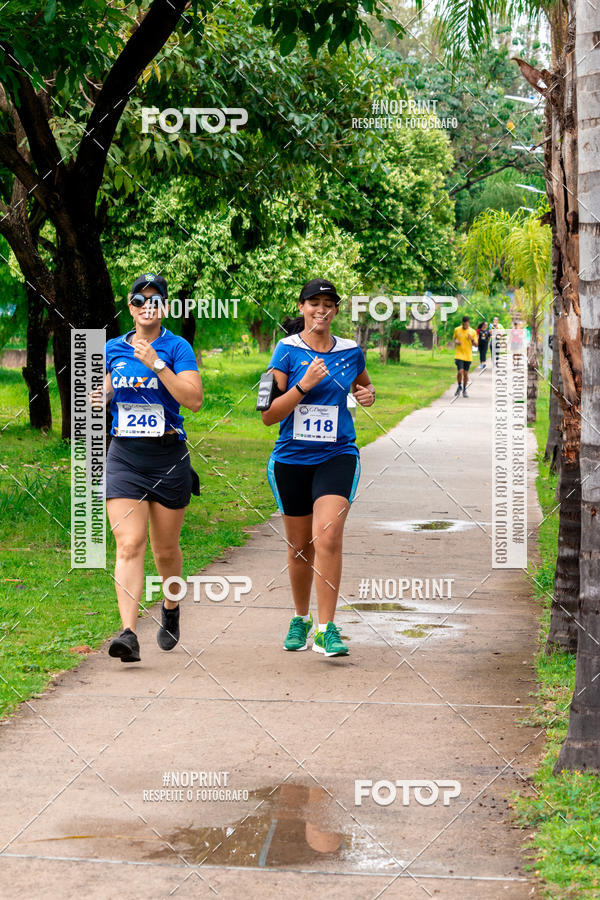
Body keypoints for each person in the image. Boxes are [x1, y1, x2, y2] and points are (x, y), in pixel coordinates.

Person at [91, 273, 203, 663]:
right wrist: (99, 394)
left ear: (165, 307)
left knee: (165, 550)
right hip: (125, 455)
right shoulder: (112, 347)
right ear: (130, 305)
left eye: (155, 300)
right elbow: (105, 387)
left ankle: (171, 608)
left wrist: (157, 364)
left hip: (168, 457)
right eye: (140, 300)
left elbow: (194, 400)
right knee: (129, 544)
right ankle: (128, 633)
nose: (146, 306)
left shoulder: (178, 347)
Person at [261, 278, 375, 658]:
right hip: (291, 459)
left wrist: (367, 395)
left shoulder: (351, 351)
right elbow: (269, 415)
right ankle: (300, 618)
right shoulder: (285, 352)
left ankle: (327, 628)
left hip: (337, 455)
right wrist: (303, 386)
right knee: (300, 548)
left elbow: (364, 387)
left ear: (336, 310)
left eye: (329, 303)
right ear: (302, 308)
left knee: (327, 536)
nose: (321, 309)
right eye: (314, 303)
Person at [453, 315, 478, 398]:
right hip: (459, 355)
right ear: (462, 323)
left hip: (468, 356)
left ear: (468, 323)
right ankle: (459, 385)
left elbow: (476, 344)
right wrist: (457, 342)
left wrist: (472, 339)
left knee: (466, 374)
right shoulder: (457, 329)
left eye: (466, 325)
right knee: (460, 371)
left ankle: (464, 389)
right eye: (463, 325)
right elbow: (454, 339)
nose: (465, 326)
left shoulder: (473, 332)